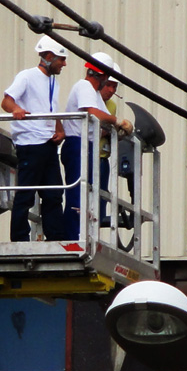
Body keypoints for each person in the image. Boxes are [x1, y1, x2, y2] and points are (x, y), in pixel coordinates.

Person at [1, 35, 68, 242]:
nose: (63, 64)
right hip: (30, 143)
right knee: (26, 193)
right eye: (61, 59)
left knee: (54, 193)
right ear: (48, 56)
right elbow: (6, 101)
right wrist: (17, 109)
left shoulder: (53, 83)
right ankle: (20, 238)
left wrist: (60, 129)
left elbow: (50, 109)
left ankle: (55, 237)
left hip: (47, 143)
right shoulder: (27, 76)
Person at [60, 52, 133, 239]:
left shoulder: (93, 94)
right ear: (102, 76)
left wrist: (113, 129)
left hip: (87, 146)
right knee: (78, 193)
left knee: (90, 194)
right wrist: (117, 121)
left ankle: (85, 235)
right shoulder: (84, 86)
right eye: (107, 79)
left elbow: (98, 123)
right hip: (78, 144)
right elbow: (93, 113)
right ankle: (72, 236)